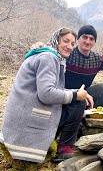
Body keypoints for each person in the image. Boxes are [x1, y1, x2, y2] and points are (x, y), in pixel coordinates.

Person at [31, 25, 103, 161]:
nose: (87, 41)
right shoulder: (68, 53)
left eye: (91, 38)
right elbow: (51, 50)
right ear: (79, 40)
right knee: (78, 100)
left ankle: (81, 124)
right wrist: (39, 45)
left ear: (94, 42)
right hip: (60, 98)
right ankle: (62, 137)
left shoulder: (97, 59)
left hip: (81, 97)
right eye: (84, 37)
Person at [1, 28, 89, 163]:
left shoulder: (49, 55)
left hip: (22, 116)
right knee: (78, 103)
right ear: (56, 40)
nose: (70, 46)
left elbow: (52, 89)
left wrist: (78, 92)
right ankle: (63, 148)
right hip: (27, 119)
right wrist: (76, 95)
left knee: (77, 100)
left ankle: (57, 143)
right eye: (66, 41)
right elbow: (47, 94)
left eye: (72, 44)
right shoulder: (49, 58)